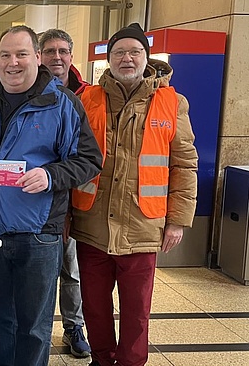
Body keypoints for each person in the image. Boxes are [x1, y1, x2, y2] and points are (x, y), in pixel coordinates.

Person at [0, 25, 102, 366]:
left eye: (22, 54)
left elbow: (89, 159)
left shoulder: (62, 103)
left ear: (37, 58)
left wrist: (51, 175)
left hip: (38, 236)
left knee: (34, 328)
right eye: (6, 55)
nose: (13, 63)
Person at [70, 23, 198, 366]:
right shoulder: (87, 99)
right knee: (94, 307)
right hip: (91, 224)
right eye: (119, 53)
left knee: (137, 313)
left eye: (135, 52)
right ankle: (101, 359)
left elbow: (184, 165)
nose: (127, 59)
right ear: (108, 60)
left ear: (146, 57)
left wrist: (177, 221)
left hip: (143, 226)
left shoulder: (172, 103)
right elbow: (69, 157)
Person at [39, 28, 91, 359]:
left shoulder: (90, 96)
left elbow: (90, 154)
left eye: (63, 51)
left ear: (71, 56)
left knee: (72, 271)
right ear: (39, 55)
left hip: (80, 201)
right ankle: (38, 333)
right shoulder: (28, 90)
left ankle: (74, 326)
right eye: (49, 51)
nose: (56, 57)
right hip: (41, 202)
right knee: (42, 274)